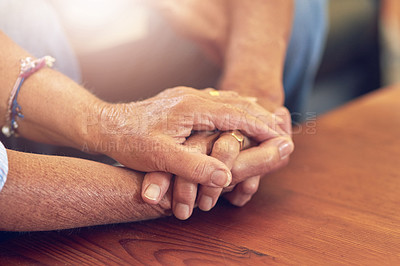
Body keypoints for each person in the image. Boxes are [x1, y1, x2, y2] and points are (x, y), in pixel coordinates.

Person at [0, 0, 327, 230]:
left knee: (301, 9)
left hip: (133, 26)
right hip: (43, 36)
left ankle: (250, 154)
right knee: (24, 18)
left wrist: (249, 99)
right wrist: (178, 184)